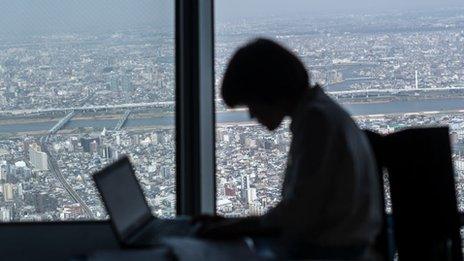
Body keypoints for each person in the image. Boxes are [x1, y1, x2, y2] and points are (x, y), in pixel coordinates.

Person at [194, 39, 382, 260]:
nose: (252, 115)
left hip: (331, 251)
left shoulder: (317, 122)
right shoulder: (320, 113)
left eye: (251, 104)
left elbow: (299, 215)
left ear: (270, 93)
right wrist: (235, 224)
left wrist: (237, 227)